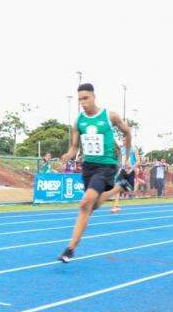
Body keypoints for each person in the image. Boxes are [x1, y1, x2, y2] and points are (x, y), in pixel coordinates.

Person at [57, 83, 132, 262]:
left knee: (85, 204)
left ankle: (70, 249)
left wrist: (127, 157)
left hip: (106, 166)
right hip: (88, 167)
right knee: (92, 206)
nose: (83, 102)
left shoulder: (109, 116)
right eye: (80, 99)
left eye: (86, 98)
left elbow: (127, 132)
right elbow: (75, 147)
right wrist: (68, 155)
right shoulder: (79, 121)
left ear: (93, 96)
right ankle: (118, 188)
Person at [111, 144, 140, 213]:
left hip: (131, 170)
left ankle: (134, 185)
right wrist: (119, 167)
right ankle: (116, 206)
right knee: (116, 186)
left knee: (130, 190)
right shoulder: (121, 149)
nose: (124, 141)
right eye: (123, 140)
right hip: (123, 170)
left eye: (125, 140)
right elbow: (119, 160)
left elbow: (138, 161)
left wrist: (133, 168)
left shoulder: (134, 148)